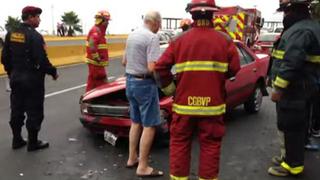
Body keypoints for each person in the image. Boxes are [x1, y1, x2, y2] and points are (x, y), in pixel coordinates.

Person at [154, 0, 240, 179]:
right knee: (210, 145)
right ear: (212, 14)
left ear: (192, 14)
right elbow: (234, 68)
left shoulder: (179, 40)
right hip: (213, 106)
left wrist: (171, 90)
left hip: (184, 106)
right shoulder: (224, 40)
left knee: (180, 142)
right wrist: (216, 78)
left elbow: (160, 67)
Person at [268, 0, 320, 176]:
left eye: (285, 11)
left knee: (292, 127)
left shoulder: (300, 30)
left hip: (294, 88)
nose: (284, 15)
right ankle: (288, 158)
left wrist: (278, 88)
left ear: (293, 10)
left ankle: (293, 166)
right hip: (301, 86)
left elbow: (292, 62)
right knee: (294, 125)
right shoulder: (304, 27)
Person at [1, 6, 59, 151]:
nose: (39, 20)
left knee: (17, 109)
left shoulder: (11, 33)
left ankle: (17, 140)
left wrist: (11, 73)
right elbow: (42, 60)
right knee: (34, 110)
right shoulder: (35, 36)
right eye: (38, 17)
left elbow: (4, 57)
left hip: (16, 79)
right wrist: (53, 72)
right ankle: (33, 143)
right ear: (31, 17)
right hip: (32, 81)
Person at [122, 11, 164, 178]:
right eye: (159, 24)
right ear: (154, 23)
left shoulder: (131, 35)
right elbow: (151, 68)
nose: (159, 28)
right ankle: (143, 167)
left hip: (130, 82)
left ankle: (132, 158)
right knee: (150, 125)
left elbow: (124, 61)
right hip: (145, 84)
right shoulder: (152, 38)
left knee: (136, 122)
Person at [85, 10, 110, 92]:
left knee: (92, 83)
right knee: (102, 82)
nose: (108, 23)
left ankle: (87, 99)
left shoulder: (98, 31)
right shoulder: (96, 31)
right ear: (102, 20)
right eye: (107, 21)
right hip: (96, 64)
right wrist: (97, 58)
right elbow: (92, 44)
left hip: (96, 64)